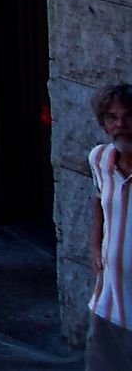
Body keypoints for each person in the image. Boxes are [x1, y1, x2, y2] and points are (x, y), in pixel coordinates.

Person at [88, 82, 132, 371]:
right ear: (103, 125)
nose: (121, 125)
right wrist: (94, 245)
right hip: (108, 304)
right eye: (112, 118)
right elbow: (99, 200)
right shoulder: (100, 159)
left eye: (129, 116)